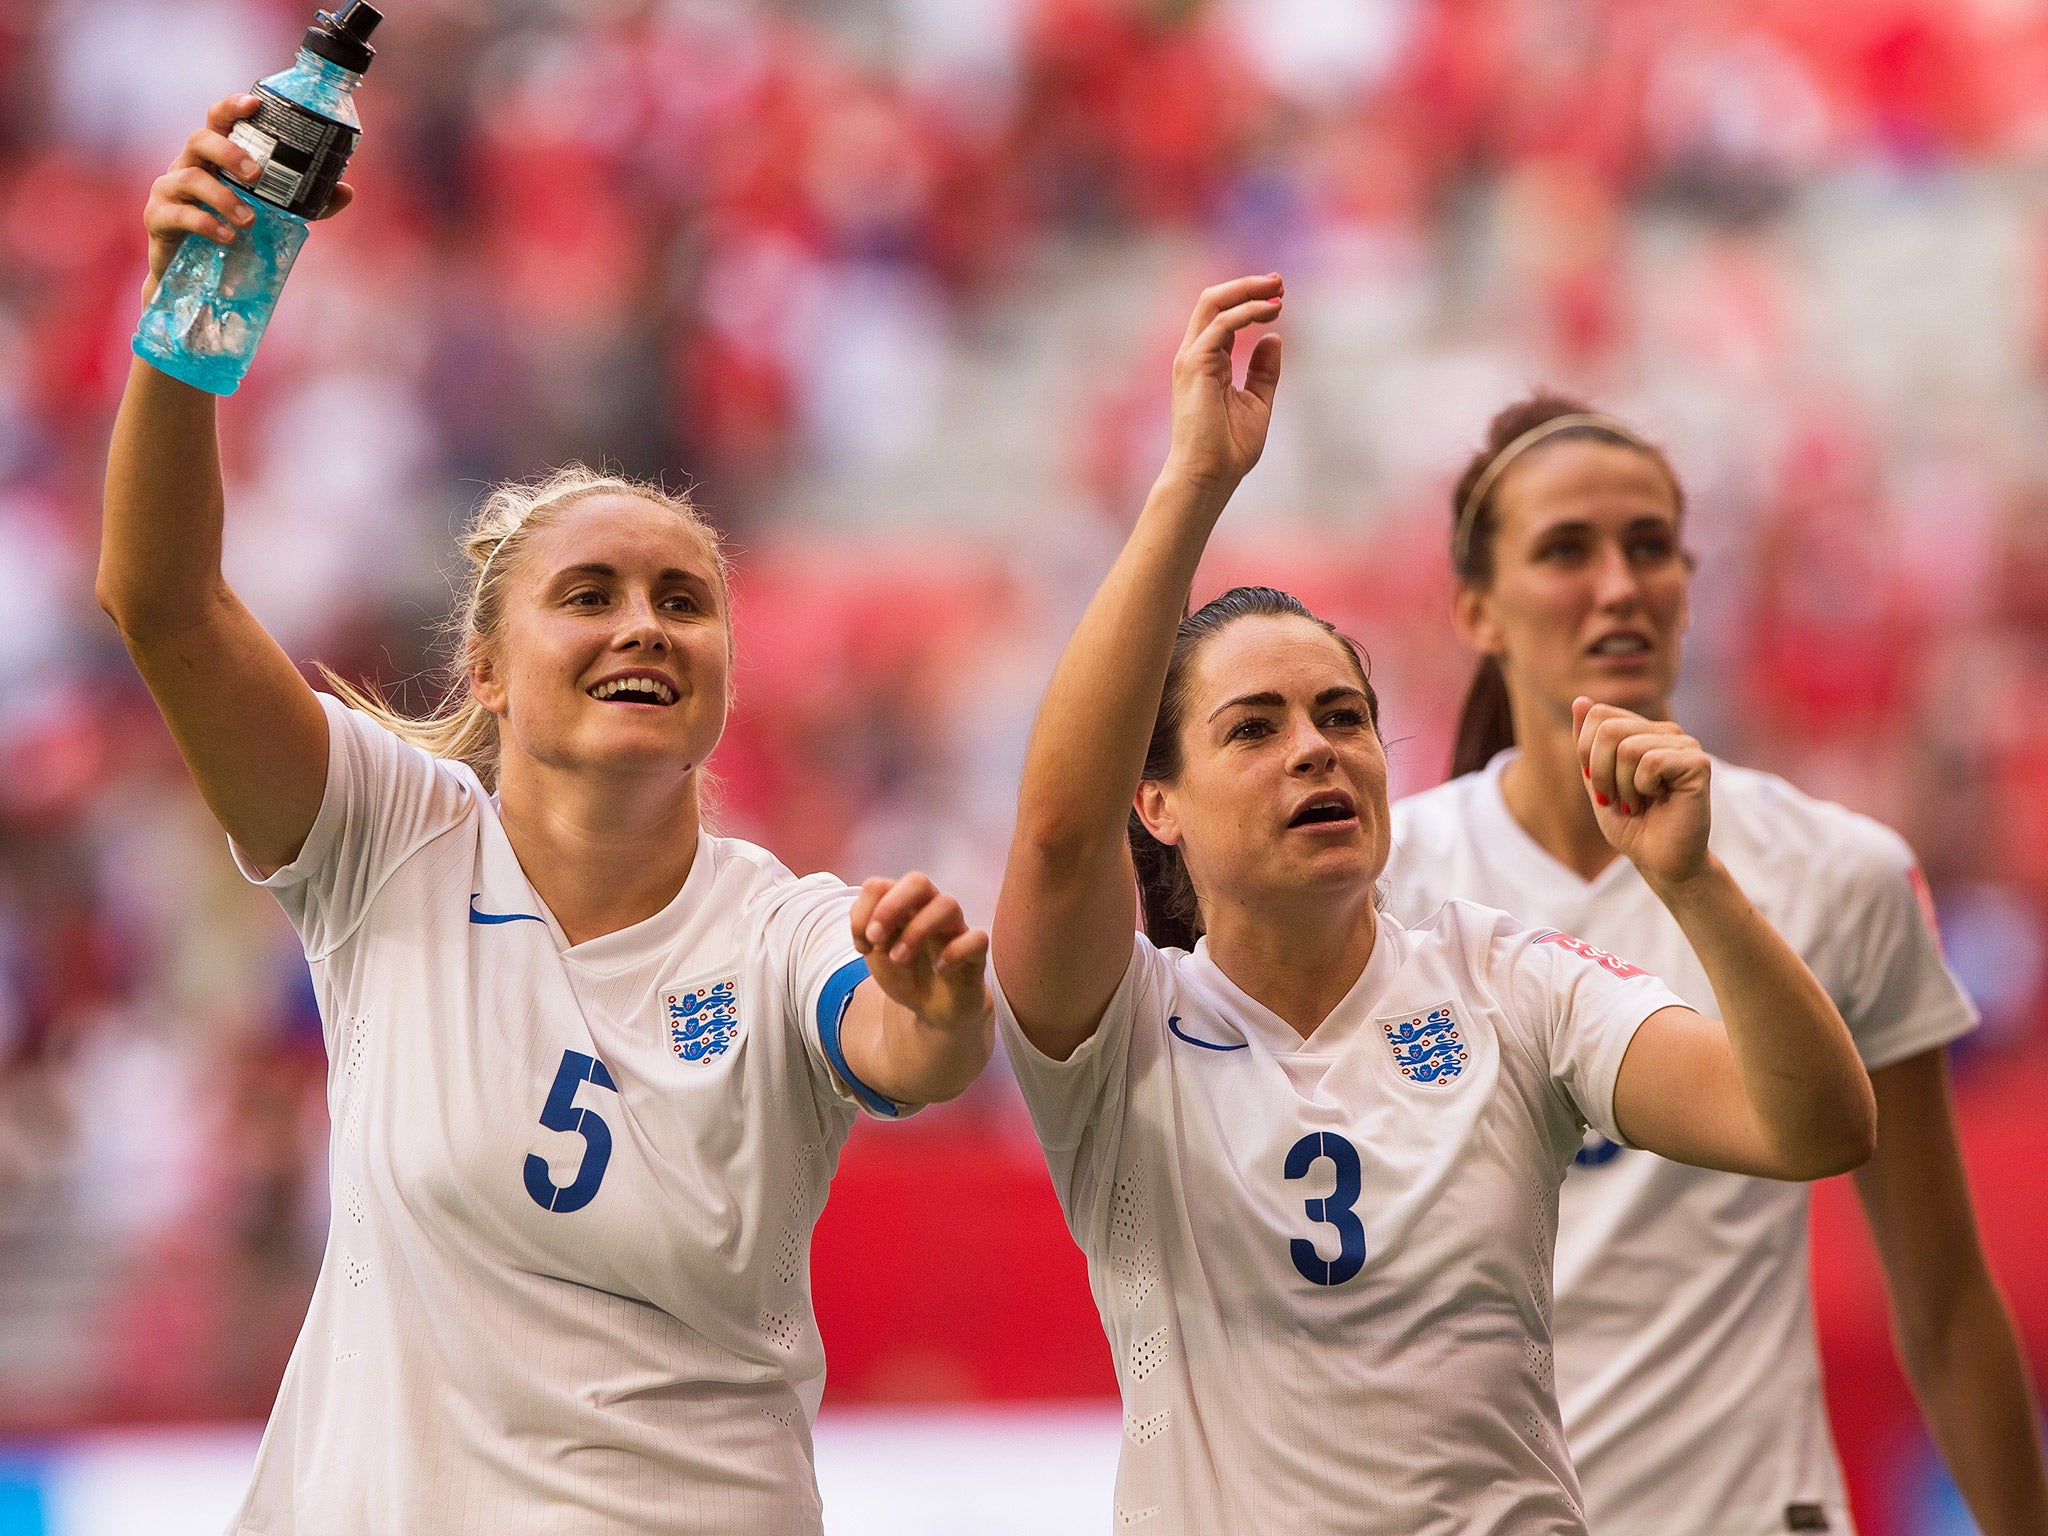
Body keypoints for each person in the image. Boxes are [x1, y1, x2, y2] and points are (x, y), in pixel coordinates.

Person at [100, 95, 994, 1535]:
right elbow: (162, 602)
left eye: (683, 600)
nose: (643, 626)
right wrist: (193, 317)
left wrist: (937, 1001)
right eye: (589, 596)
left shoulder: (780, 926)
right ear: (489, 672)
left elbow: (906, 1047)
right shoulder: (388, 840)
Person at [990, 273, 1877, 1535]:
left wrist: (1692, 884)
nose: (1316, 749)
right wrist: (1193, 480)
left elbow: (1813, 1130)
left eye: (1342, 717)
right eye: (1253, 729)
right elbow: (1055, 835)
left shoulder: (1507, 981)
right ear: (1159, 805)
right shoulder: (1115, 1037)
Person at [1384, 395, 2048, 1535]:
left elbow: (1942, 1302)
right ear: (1474, 610)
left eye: (1649, 546)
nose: (1617, 584)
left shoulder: (1839, 872)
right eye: (1564, 550)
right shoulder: (1378, 886)